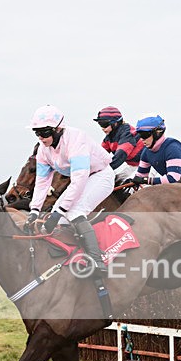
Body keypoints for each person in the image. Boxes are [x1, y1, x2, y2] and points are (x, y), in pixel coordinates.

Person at [26, 104, 114, 275]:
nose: (41, 138)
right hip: (82, 179)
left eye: (44, 132)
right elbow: (42, 182)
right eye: (37, 133)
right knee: (59, 220)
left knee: (73, 212)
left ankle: (98, 261)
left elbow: (79, 181)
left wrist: (59, 211)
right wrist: (34, 211)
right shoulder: (43, 150)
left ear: (58, 129)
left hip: (100, 175)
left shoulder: (76, 140)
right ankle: (75, 257)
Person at [123, 115, 181, 186]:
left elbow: (173, 179)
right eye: (139, 135)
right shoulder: (146, 152)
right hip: (178, 188)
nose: (141, 139)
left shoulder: (172, 149)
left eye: (144, 135)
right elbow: (141, 175)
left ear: (157, 133)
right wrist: (132, 181)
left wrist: (145, 180)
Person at [93, 106, 144, 179]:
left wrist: (100, 171)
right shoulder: (109, 138)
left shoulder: (127, 133)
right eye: (100, 124)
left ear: (115, 123)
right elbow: (98, 156)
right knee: (116, 180)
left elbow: (120, 156)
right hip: (133, 166)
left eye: (104, 124)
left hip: (150, 165)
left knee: (131, 183)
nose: (102, 128)